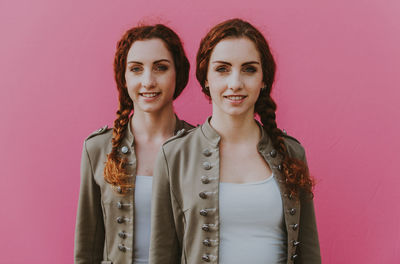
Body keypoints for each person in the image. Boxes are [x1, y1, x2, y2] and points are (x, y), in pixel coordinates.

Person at [149, 18, 321, 264]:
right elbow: (162, 255)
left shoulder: (291, 153)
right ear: (205, 78)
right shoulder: (174, 155)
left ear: (263, 80)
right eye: (222, 69)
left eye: (249, 69)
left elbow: (309, 255)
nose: (235, 83)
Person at [74, 24, 193, 264]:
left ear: (178, 74)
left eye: (160, 67)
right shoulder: (98, 149)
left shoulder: (199, 147)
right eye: (136, 69)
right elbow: (87, 249)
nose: (148, 81)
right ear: (124, 78)